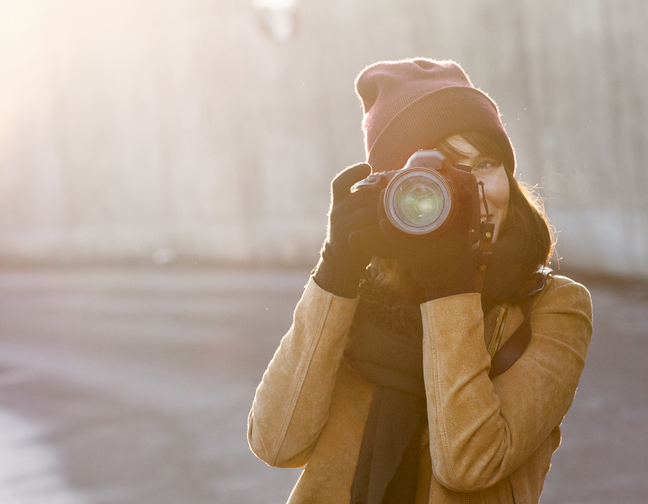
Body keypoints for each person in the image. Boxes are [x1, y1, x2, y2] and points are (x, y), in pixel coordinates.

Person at [248, 58, 593, 504]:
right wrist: (336, 270)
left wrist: (448, 283)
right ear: (397, 191)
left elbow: (467, 463)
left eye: (485, 163)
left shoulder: (556, 307)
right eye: (442, 174)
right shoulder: (360, 295)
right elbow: (277, 443)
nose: (473, 188)